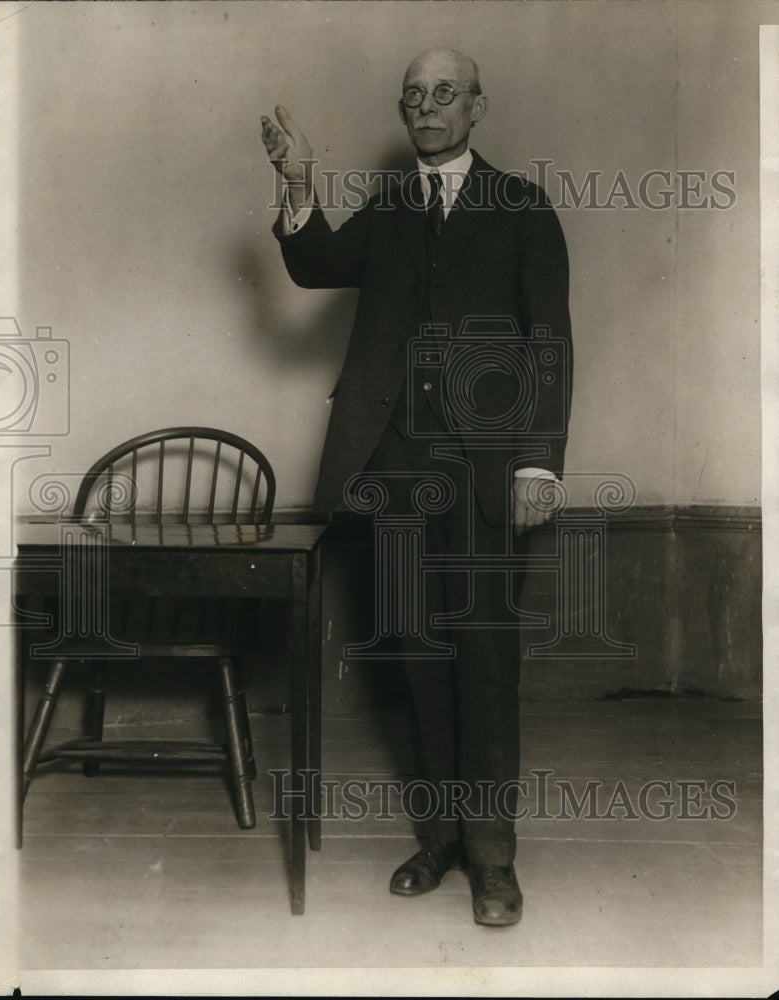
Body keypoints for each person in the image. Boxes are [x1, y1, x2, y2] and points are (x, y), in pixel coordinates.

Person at [261, 47, 572, 926]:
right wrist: (297, 180)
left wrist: (536, 462)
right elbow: (315, 264)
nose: (425, 107)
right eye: (412, 95)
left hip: (482, 478)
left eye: (444, 93)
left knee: (481, 661)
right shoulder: (392, 207)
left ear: (477, 105)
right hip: (392, 474)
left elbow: (549, 342)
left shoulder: (522, 208)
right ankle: (438, 839)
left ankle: (493, 858)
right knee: (415, 657)